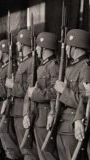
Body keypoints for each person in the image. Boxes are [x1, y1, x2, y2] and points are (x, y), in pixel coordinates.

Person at [54, 29, 90, 160]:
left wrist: (64, 91)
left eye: (67, 45)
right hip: (62, 124)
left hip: (73, 126)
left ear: (74, 46)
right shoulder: (70, 67)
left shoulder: (86, 67)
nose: (66, 49)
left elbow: (85, 101)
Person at [5, 29, 39, 160]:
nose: (16, 46)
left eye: (18, 43)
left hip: (24, 110)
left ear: (23, 44)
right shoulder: (24, 62)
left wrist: (12, 86)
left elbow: (29, 90)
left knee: (28, 150)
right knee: (22, 147)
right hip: (17, 109)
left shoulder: (31, 62)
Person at [25, 32, 59, 160]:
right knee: (41, 154)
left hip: (46, 116)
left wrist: (35, 93)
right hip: (37, 115)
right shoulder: (42, 66)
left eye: (38, 47)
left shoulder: (53, 66)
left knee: (47, 155)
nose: (36, 50)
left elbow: (56, 92)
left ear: (44, 48)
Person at [0, 39, 23, 160]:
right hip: (0, 108)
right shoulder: (3, 67)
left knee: (10, 145)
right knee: (5, 144)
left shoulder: (11, 67)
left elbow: (7, 92)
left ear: (4, 51)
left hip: (6, 109)